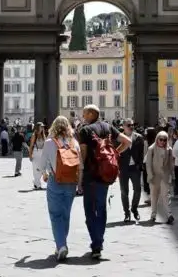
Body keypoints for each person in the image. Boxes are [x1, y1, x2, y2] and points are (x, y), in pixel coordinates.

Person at [77, 104, 131, 258]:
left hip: (90, 176)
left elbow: (83, 154)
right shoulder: (108, 127)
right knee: (101, 209)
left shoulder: (85, 130)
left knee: (89, 210)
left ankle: (96, 243)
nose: (83, 116)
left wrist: (79, 177)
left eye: (85, 113)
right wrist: (115, 153)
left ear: (92, 114)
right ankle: (99, 242)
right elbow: (127, 141)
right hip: (105, 175)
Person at [42, 116, 81, 261]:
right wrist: (79, 184)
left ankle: (61, 245)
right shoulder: (74, 142)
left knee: (55, 215)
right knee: (65, 215)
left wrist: (44, 173)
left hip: (55, 181)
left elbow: (41, 163)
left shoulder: (49, 143)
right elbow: (80, 165)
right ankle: (60, 245)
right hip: (71, 183)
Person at [118, 119, 145, 222]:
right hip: (123, 169)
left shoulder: (139, 137)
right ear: (124, 126)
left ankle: (134, 208)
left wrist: (139, 165)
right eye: (129, 125)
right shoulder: (119, 138)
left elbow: (142, 153)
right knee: (124, 192)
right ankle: (126, 213)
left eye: (133, 125)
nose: (131, 127)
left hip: (135, 168)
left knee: (137, 190)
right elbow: (116, 154)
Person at [146, 130, 175, 223]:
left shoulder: (169, 149)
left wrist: (172, 175)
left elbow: (171, 164)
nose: (162, 142)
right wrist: (150, 175)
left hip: (165, 176)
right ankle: (153, 215)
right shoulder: (151, 149)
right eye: (161, 139)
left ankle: (169, 215)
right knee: (154, 196)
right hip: (154, 176)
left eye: (165, 140)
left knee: (165, 196)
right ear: (157, 139)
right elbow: (148, 164)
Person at [28, 122, 47, 190]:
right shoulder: (34, 135)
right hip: (36, 152)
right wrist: (30, 155)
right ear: (38, 127)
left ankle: (36, 182)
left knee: (42, 169)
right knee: (36, 169)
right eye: (41, 126)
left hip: (42, 153)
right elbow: (31, 146)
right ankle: (37, 184)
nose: (42, 128)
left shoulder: (43, 135)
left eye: (43, 127)